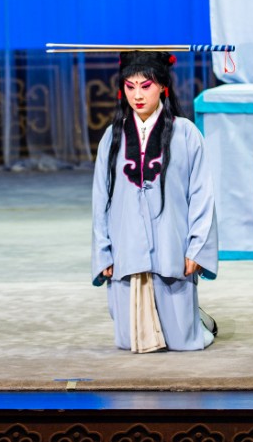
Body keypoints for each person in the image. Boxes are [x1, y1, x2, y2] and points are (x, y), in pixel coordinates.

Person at [91, 51, 218, 352]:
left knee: (183, 342)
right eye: (130, 86)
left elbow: (202, 194)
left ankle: (198, 321)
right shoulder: (113, 136)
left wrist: (197, 247)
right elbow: (100, 199)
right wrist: (103, 252)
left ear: (162, 86)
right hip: (126, 249)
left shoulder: (186, 134)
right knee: (128, 341)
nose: (137, 95)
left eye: (145, 86)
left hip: (172, 248)